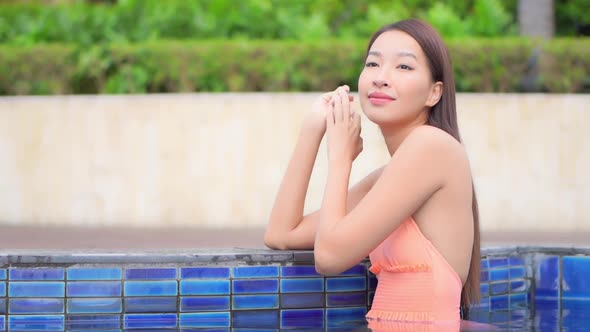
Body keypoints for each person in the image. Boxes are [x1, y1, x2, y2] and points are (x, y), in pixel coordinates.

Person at [264, 18, 480, 327]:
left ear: (435, 92)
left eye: (403, 67)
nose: (381, 78)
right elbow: (281, 234)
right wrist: (312, 131)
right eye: (373, 64)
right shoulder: (390, 176)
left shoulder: (431, 146)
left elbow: (329, 258)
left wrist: (341, 158)